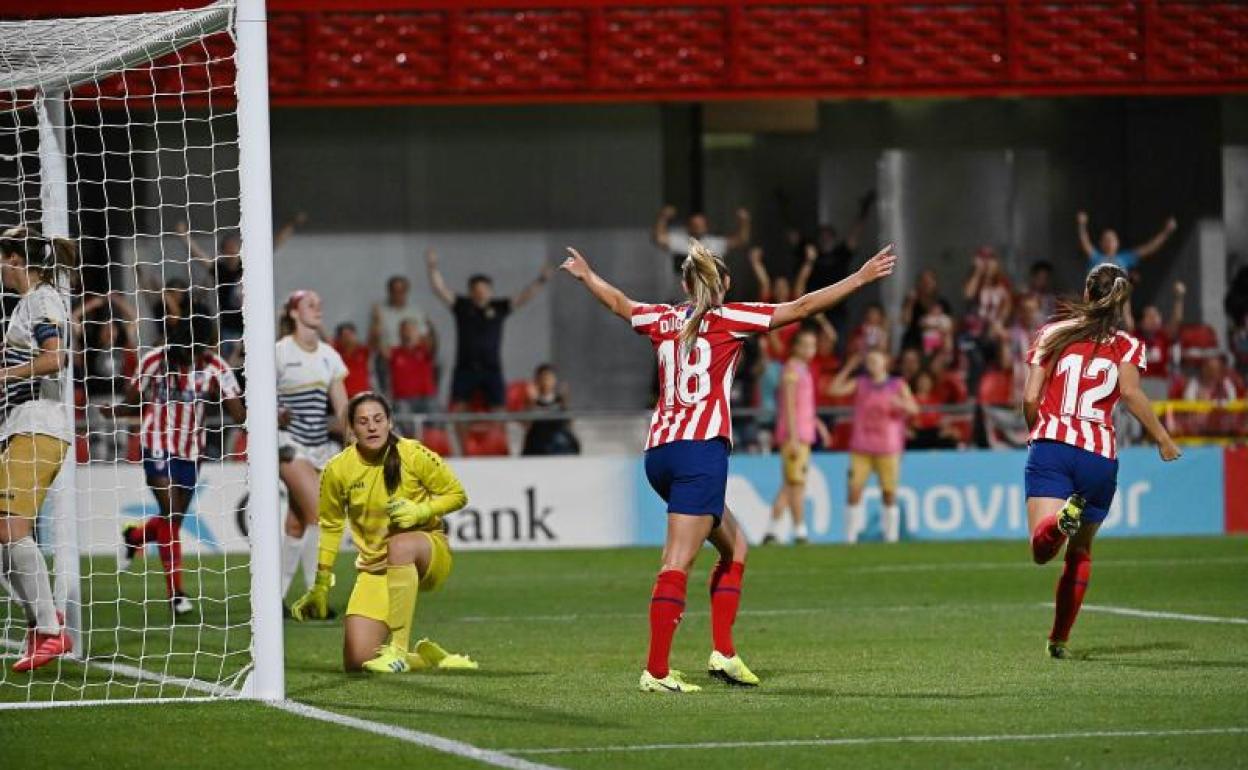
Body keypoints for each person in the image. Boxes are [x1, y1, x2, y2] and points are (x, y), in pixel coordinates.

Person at [560, 238, 897, 693]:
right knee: (676, 562)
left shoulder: (662, 318)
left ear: (684, 284)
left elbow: (619, 303)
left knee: (735, 547)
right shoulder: (730, 318)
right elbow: (799, 307)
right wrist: (859, 278)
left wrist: (586, 275)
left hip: (659, 453)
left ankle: (724, 652)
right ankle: (656, 671)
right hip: (701, 451)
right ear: (726, 285)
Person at [1023, 263, 1182, 659]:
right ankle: (1059, 639)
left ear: (1087, 291)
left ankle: (1058, 523)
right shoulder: (1127, 345)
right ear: (1122, 303)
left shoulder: (1054, 332)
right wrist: (1162, 437)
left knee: (1043, 551)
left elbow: (1029, 399)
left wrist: (1038, 432)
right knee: (1081, 552)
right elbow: (1130, 394)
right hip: (1099, 457)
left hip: (1053, 445)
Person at [290, 392, 475, 674]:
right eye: (363, 422)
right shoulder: (337, 470)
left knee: (399, 545)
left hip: (427, 553)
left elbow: (457, 494)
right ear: (351, 429)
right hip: (376, 567)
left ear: (389, 422)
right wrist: (321, 583)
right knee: (357, 661)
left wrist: (421, 512)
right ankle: (427, 658)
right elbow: (330, 525)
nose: (372, 427)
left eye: (378, 420)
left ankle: (398, 650)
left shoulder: (413, 454)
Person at [108, 317, 245, 617]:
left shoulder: (216, 367)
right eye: (190, 350)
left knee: (174, 519)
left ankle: (135, 537)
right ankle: (176, 594)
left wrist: (263, 415)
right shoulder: (155, 360)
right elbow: (133, 401)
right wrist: (114, 411)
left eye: (200, 350)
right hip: (156, 442)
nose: (194, 357)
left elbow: (237, 412)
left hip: (192, 451)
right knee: (170, 513)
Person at [0, 226, 78, 671]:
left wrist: (6, 375)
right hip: (20, 425)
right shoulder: (28, 305)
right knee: (3, 537)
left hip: (40, 425)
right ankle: (44, 620)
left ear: (14, 259)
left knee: (11, 529)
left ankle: (49, 630)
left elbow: (55, 358)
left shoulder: (43, 299)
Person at [276, 290, 349, 608]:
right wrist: (276, 413)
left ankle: (274, 598)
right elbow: (258, 395)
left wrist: (355, 440)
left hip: (320, 445)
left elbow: (342, 406)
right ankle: (315, 596)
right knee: (320, 514)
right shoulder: (279, 352)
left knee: (296, 521)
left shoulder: (329, 355)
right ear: (294, 313)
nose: (318, 309)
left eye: (320, 304)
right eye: (310, 305)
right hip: (288, 443)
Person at [425, 248, 550, 412]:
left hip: (491, 368)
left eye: (484, 290)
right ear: (471, 291)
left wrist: (541, 280)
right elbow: (440, 289)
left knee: (499, 408)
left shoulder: (498, 307)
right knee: (458, 407)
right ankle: (461, 438)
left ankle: (498, 437)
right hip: (465, 367)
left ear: (490, 291)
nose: (481, 293)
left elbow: (523, 297)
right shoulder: (462, 306)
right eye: (477, 290)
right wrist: (432, 267)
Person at [830, 351, 918, 543]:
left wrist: (901, 403)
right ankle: (850, 538)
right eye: (869, 360)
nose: (872, 364)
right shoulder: (861, 383)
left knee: (889, 493)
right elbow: (834, 390)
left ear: (885, 362)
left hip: (888, 447)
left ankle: (891, 537)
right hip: (861, 446)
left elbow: (914, 409)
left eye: (876, 360)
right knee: (854, 491)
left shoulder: (897, 385)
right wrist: (849, 368)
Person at [761, 327, 830, 545]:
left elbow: (804, 406)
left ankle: (771, 531)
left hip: (803, 432)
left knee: (790, 483)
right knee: (796, 484)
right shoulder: (791, 370)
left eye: (813, 345)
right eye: (807, 345)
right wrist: (791, 438)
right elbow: (789, 405)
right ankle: (800, 531)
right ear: (796, 347)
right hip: (796, 435)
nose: (811, 350)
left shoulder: (803, 369)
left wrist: (818, 425)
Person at [369, 274, 431, 393]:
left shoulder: (416, 312)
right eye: (394, 291)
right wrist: (376, 321)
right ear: (389, 291)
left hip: (411, 356)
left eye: (401, 291)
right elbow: (374, 339)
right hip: (388, 355)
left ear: (406, 291)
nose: (398, 294)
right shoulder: (381, 311)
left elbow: (424, 337)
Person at [653, 205, 751, 275]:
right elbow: (659, 238)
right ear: (688, 227)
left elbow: (741, 241)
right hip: (682, 293)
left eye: (701, 225)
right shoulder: (680, 242)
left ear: (706, 226)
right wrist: (663, 217)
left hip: (709, 292)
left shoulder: (715, 243)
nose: (698, 227)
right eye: (695, 225)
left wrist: (744, 222)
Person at [1076, 210, 1178, 272]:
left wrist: (1166, 232)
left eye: (1112, 239)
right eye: (1106, 239)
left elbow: (1149, 247)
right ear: (1101, 243)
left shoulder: (1125, 258)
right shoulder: (1095, 257)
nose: (1109, 242)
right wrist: (1081, 225)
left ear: (1117, 243)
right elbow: (1085, 242)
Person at [388, 318, 439, 431]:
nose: (408, 332)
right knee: (404, 421)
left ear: (417, 332)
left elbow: (434, 344)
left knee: (435, 424)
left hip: (426, 398)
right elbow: (378, 346)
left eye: (411, 329)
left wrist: (431, 328)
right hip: (403, 400)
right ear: (400, 333)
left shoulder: (425, 350)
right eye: (405, 329)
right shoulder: (394, 352)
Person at [520, 363, 580, 456]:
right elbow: (526, 425)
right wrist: (531, 403)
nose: (545, 382)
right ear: (536, 381)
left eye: (549, 378)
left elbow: (570, 424)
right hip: (537, 447)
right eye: (542, 378)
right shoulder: (532, 402)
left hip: (558, 447)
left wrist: (565, 403)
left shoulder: (560, 401)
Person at [963, 246, 1013, 327]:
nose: (987, 262)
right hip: (974, 326)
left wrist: (999, 324)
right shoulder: (974, 280)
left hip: (995, 327)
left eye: (990, 259)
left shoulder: (1003, 282)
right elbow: (968, 295)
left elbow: (1007, 307)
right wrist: (977, 272)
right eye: (983, 259)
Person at [332, 322, 374, 399]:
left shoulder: (363, 350)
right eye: (345, 336)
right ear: (339, 339)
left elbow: (375, 337)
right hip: (343, 399)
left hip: (363, 398)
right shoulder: (335, 351)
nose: (348, 338)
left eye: (350, 335)